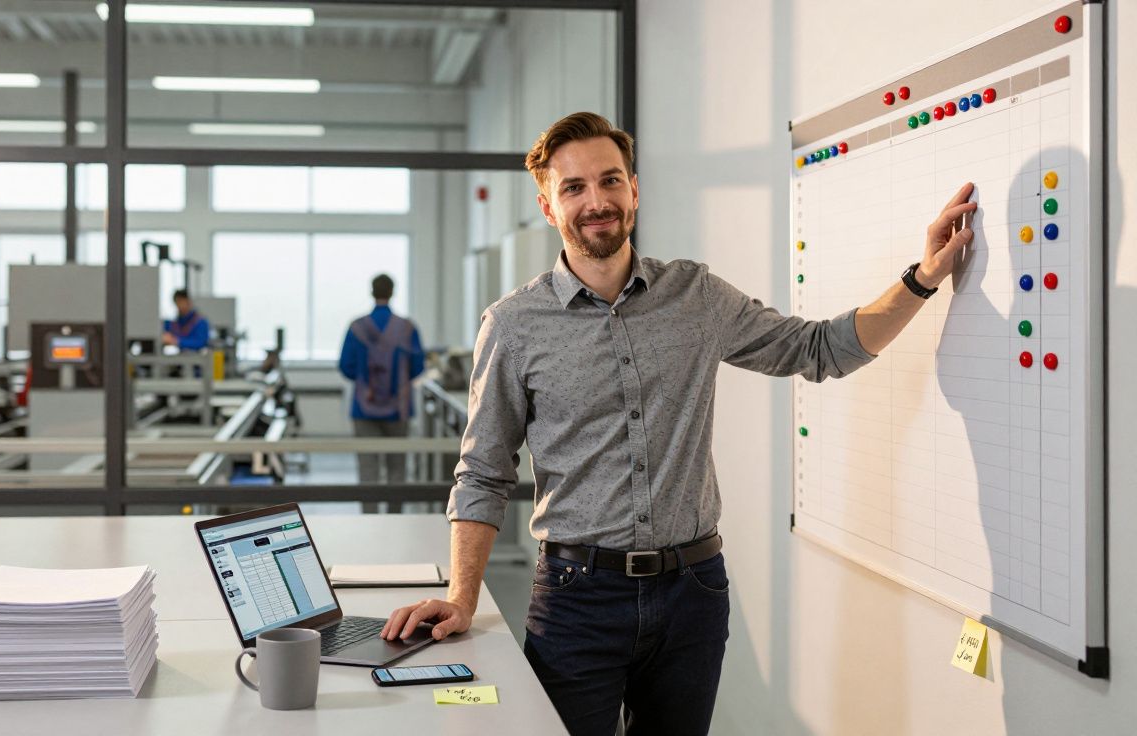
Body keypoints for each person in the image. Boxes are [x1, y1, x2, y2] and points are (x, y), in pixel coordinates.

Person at [379, 112, 977, 735]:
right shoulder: (513, 324)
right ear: (550, 208)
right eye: (574, 188)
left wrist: (924, 277)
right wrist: (462, 598)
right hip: (577, 598)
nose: (597, 201)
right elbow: (482, 471)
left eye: (610, 181)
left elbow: (820, 349)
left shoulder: (695, 295)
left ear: (633, 189)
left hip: (694, 594)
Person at [338, 274, 425, 492]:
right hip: (399, 408)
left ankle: (369, 520)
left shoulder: (357, 327)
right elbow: (418, 366)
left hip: (363, 408)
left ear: (372, 292)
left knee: (368, 469)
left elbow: (345, 366)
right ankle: (396, 520)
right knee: (397, 469)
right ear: (392, 292)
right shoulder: (407, 328)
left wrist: (366, 384)